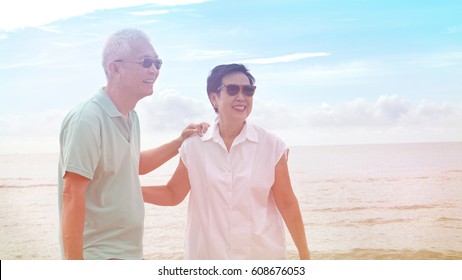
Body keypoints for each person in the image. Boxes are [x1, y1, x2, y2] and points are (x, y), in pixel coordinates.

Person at [58, 28, 208, 260]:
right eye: (146, 62)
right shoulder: (88, 119)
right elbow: (71, 195)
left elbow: (134, 164)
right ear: (115, 68)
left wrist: (179, 142)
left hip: (129, 254)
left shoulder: (130, 116)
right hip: (99, 255)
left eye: (158, 63)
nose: (154, 70)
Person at [142, 64, 310, 259]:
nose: (241, 96)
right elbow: (173, 194)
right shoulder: (195, 146)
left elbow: (287, 203)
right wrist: (129, 192)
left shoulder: (272, 145)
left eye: (248, 90)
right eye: (232, 89)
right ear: (214, 98)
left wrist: (305, 255)